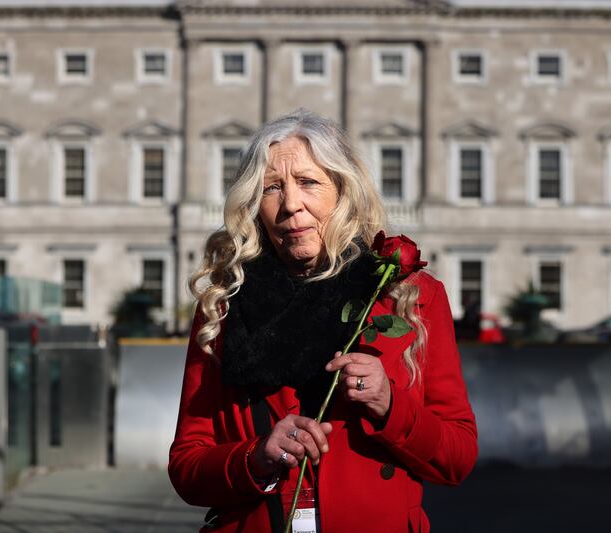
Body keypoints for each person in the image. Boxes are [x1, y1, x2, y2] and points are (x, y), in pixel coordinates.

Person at [169, 109, 478, 533]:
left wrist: (391, 405)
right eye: (271, 188)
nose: (291, 204)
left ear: (343, 191)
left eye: (309, 182)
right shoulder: (222, 304)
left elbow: (457, 457)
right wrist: (255, 458)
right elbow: (187, 465)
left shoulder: (411, 297)